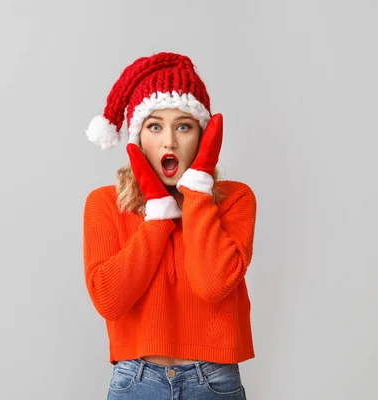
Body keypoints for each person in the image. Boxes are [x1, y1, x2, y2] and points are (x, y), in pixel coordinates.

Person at [83, 52, 257, 399]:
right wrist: (158, 217)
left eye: (183, 126)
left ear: (204, 137)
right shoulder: (105, 203)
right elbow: (109, 300)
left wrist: (195, 193)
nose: (169, 142)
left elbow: (213, 283)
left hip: (214, 382)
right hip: (136, 380)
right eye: (155, 126)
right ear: (137, 138)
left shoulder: (236, 199)